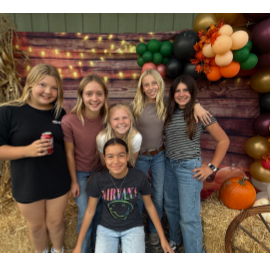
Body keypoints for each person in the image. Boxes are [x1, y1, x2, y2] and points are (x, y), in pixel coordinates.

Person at [0, 64, 72, 253]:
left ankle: (59, 251)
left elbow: (68, 148)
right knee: (37, 227)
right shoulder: (8, 112)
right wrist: (27, 151)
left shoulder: (59, 114)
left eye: (54, 88)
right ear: (30, 84)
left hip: (58, 179)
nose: (48, 91)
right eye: (43, 85)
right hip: (27, 181)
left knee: (56, 223)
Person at [129, 69, 211, 246]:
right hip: (140, 157)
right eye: (146, 84)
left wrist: (197, 104)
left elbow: (185, 102)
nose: (151, 87)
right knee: (138, 197)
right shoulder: (134, 106)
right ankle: (136, 231)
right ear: (141, 87)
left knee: (158, 196)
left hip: (159, 155)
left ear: (159, 84)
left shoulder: (166, 105)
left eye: (154, 83)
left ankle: (153, 230)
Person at [162, 75, 229, 253]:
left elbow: (223, 140)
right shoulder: (168, 111)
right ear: (172, 93)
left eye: (186, 90)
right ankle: (176, 240)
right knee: (170, 207)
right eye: (178, 90)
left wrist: (212, 167)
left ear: (192, 93)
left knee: (189, 216)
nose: (182, 94)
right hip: (169, 166)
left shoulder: (200, 114)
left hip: (188, 169)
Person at [73, 138, 173, 253]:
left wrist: (163, 238)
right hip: (106, 229)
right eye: (110, 156)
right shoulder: (98, 180)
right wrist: (79, 245)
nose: (116, 161)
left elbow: (150, 206)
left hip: (133, 227)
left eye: (120, 155)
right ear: (104, 158)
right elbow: (90, 211)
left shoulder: (139, 177)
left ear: (127, 156)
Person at [64, 74, 109, 253]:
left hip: (100, 172)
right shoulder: (70, 121)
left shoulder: (108, 118)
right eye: (89, 94)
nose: (94, 98)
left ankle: (98, 250)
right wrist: (74, 181)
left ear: (105, 95)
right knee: (85, 214)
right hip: (81, 174)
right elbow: (69, 154)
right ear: (81, 95)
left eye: (99, 93)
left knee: (99, 212)